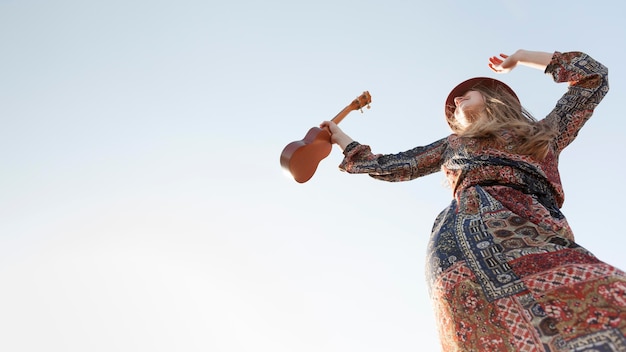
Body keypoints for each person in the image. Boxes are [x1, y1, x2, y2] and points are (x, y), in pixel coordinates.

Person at [321, 50, 626, 351]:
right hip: (462, 249)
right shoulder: (454, 144)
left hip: (536, 228)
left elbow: (592, 76)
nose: (455, 100)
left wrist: (520, 57)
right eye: (454, 102)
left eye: (466, 94)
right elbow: (389, 166)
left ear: (494, 97)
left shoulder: (545, 134)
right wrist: (340, 138)